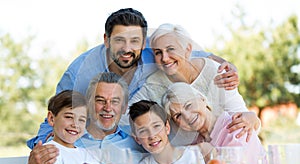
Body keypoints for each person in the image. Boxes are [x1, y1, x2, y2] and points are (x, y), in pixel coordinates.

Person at [27, 8, 240, 149]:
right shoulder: (80, 72)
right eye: (119, 40)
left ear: (143, 42)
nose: (127, 49)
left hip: (143, 149)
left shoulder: (153, 55)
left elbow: (187, 55)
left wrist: (225, 64)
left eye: (134, 41)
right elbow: (57, 113)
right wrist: (44, 144)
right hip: (93, 152)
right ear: (107, 40)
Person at [129, 23, 260, 143]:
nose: (164, 58)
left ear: (187, 50)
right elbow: (125, 118)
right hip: (191, 160)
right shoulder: (153, 85)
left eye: (170, 49)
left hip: (230, 151)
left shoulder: (215, 71)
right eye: (158, 52)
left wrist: (252, 119)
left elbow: (241, 116)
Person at [23, 72, 144, 164]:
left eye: (115, 101)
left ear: (124, 107)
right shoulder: (51, 152)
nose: (108, 108)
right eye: (100, 100)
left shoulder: (86, 152)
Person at [161, 82, 269, 164]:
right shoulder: (196, 145)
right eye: (178, 116)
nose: (187, 116)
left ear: (202, 99)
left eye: (188, 105)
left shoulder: (237, 126)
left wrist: (208, 152)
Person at [38, 90, 99, 164]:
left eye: (81, 120)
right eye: (69, 117)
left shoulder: (85, 153)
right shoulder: (50, 152)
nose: (75, 124)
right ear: (52, 119)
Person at [128, 100, 206, 164]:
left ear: (167, 127)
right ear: (137, 139)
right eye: (143, 131)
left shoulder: (192, 155)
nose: (152, 136)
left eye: (156, 126)